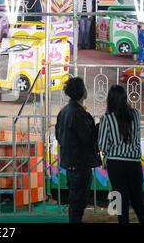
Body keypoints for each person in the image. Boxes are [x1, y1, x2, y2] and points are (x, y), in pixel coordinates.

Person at [98, 85, 144, 223]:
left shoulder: (106, 119)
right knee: (138, 200)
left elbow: (102, 145)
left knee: (120, 200)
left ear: (110, 100)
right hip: (134, 163)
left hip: (115, 164)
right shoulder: (136, 114)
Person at [55, 77, 100, 223]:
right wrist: (101, 125)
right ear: (82, 92)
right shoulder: (78, 114)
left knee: (75, 200)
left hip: (70, 163)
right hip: (79, 164)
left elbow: (58, 135)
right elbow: (88, 138)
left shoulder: (64, 112)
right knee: (78, 202)